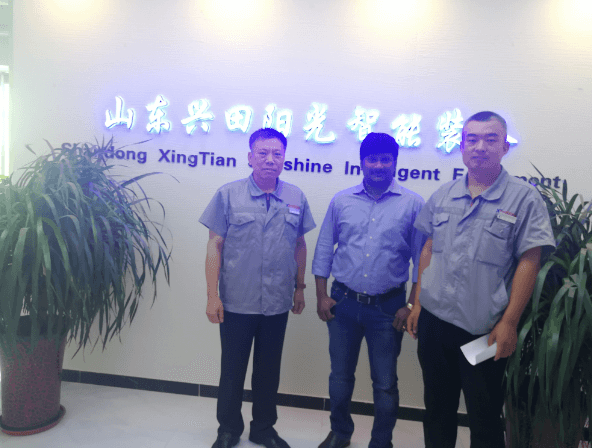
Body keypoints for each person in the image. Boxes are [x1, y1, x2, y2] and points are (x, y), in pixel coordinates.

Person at [406, 111, 555, 448]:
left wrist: (510, 322)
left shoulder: (523, 198)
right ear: (461, 147)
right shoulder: (444, 195)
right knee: (437, 410)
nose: (480, 147)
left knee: (484, 415)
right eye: (471, 139)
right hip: (435, 325)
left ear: (504, 147)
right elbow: (428, 248)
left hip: (484, 332)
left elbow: (530, 260)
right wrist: (417, 303)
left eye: (490, 139)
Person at [199, 128, 316, 448]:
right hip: (237, 301)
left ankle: (263, 429)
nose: (270, 159)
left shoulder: (296, 197)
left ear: (284, 158)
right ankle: (228, 429)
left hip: (277, 302)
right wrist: (212, 296)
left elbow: (300, 245)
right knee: (232, 370)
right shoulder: (228, 194)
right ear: (250, 157)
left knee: (268, 371)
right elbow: (214, 246)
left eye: (277, 154)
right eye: (263, 153)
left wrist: (300, 288)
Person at [312, 132, 426, 448]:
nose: (378, 165)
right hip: (343, 303)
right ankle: (340, 433)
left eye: (385, 159)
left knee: (385, 383)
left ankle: (381, 441)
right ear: (362, 162)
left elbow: (422, 261)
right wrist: (321, 295)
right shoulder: (342, 201)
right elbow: (324, 249)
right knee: (339, 377)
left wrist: (411, 305)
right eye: (372, 159)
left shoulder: (413, 204)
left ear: (395, 162)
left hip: (389, 308)